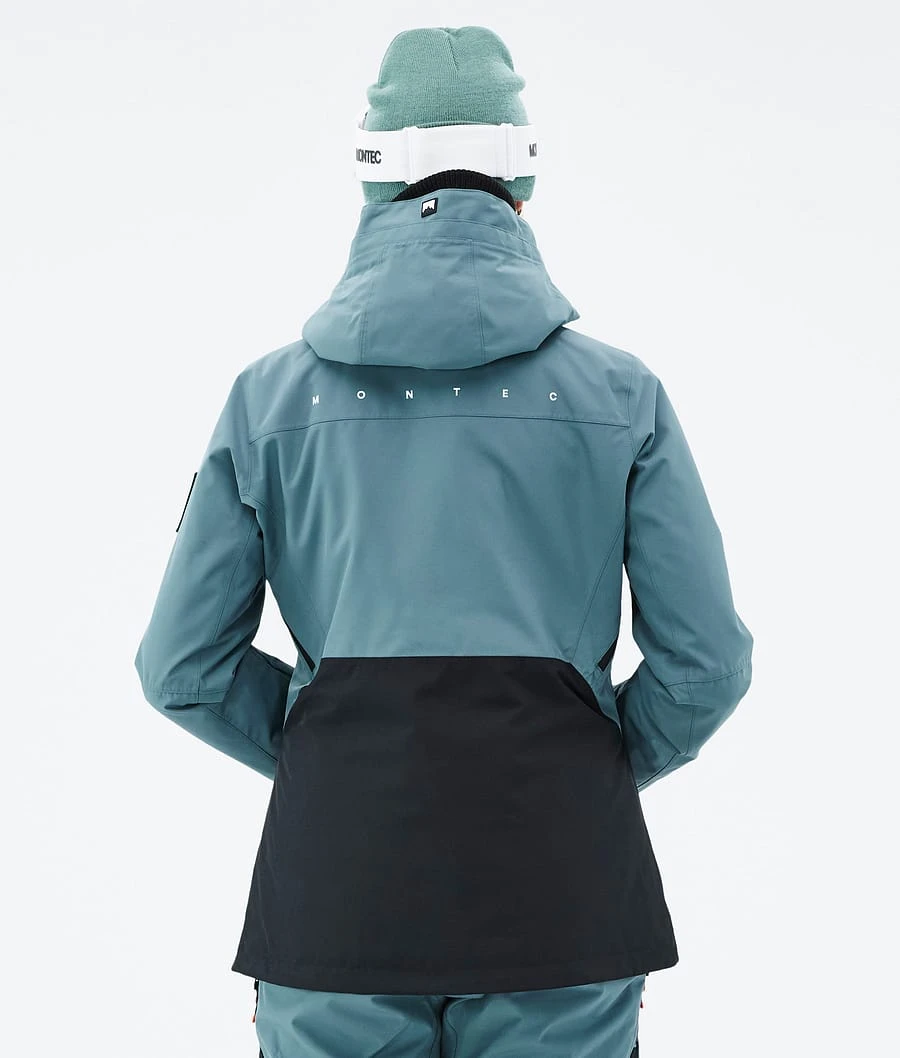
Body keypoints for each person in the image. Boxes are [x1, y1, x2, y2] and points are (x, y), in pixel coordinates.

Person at [134, 24, 753, 1058]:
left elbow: (180, 668)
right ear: (523, 177)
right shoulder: (620, 394)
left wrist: (335, 743)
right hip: (565, 890)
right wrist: (581, 756)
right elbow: (708, 665)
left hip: (337, 892)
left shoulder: (268, 399)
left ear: (373, 173)